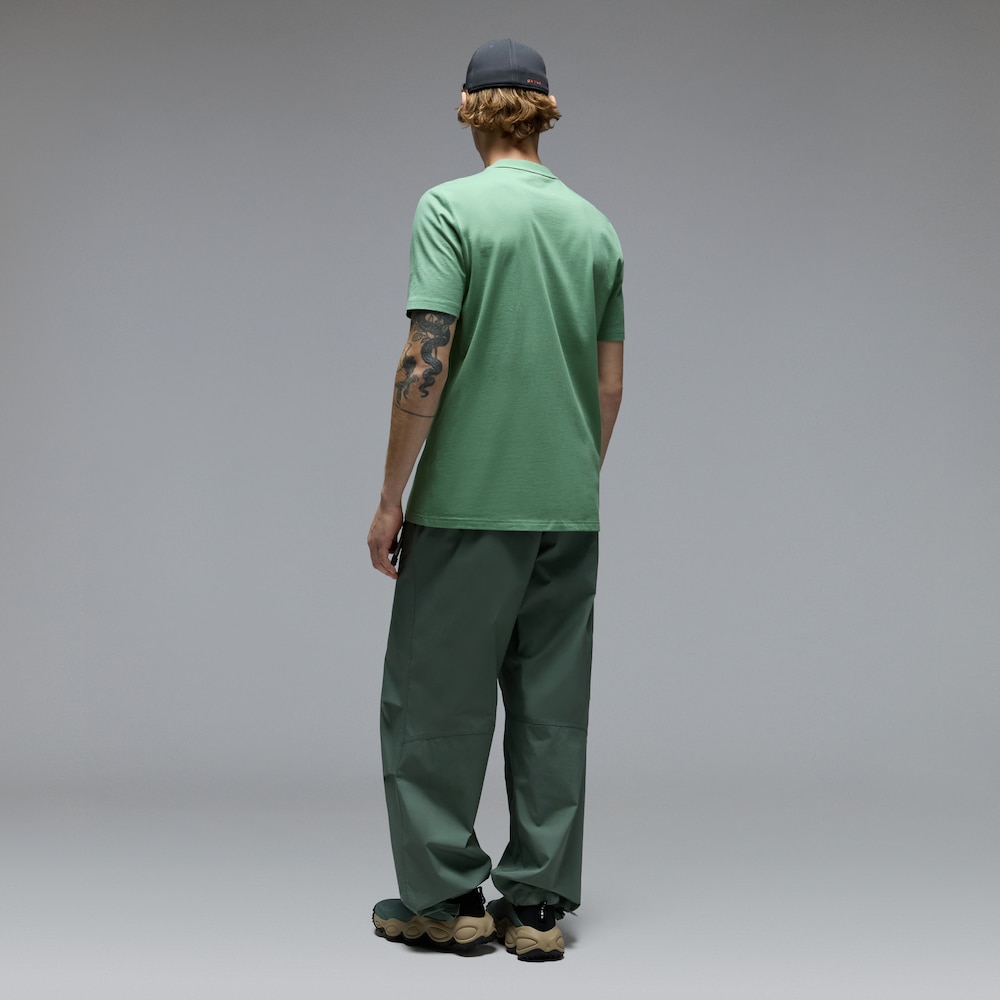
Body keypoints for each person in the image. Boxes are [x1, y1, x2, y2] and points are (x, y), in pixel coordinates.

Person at [367, 39, 624, 963]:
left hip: (467, 505)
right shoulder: (596, 228)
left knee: (434, 703)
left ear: (470, 109)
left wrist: (391, 495)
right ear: (546, 112)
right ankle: (538, 908)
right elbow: (609, 385)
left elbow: (424, 358)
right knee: (552, 708)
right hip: (567, 507)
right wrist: (569, 476)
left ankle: (446, 900)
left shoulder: (450, 208)